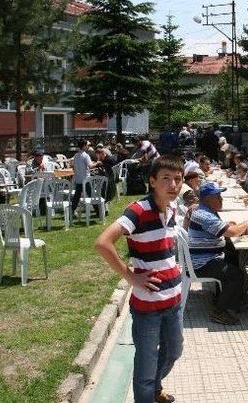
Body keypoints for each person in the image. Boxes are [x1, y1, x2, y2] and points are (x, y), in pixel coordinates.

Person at [95, 156, 184, 403]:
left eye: (178, 179)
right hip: (148, 307)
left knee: (173, 351)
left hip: (174, 300)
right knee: (146, 362)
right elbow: (102, 243)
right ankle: (148, 394)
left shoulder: (173, 208)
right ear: (152, 181)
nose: (173, 184)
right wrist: (130, 276)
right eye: (166, 178)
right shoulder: (138, 210)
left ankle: (155, 388)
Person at [188, 182, 248, 325]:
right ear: (208, 199)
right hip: (202, 263)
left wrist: (229, 225)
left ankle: (227, 298)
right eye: (218, 196)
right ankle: (218, 312)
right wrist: (246, 224)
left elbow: (224, 229)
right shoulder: (205, 215)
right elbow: (232, 233)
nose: (221, 199)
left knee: (233, 256)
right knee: (236, 275)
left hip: (204, 257)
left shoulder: (205, 210)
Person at [70, 140, 100, 217]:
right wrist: (97, 163)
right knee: (91, 195)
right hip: (86, 180)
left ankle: (71, 211)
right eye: (87, 145)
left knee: (77, 197)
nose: (88, 146)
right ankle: (98, 212)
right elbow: (90, 166)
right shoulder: (85, 155)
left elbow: (73, 166)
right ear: (83, 146)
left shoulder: (76, 155)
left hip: (78, 179)